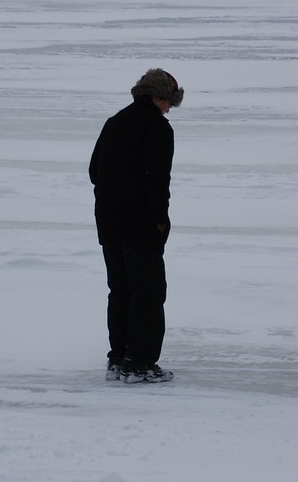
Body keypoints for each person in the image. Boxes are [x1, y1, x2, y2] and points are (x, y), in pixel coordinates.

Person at [89, 68, 184, 384]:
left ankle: (118, 359)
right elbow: (156, 181)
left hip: (109, 223)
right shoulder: (157, 128)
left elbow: (94, 171)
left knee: (120, 291)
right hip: (141, 225)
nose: (169, 108)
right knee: (147, 293)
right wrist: (160, 221)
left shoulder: (115, 122)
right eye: (169, 101)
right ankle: (139, 363)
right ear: (158, 96)